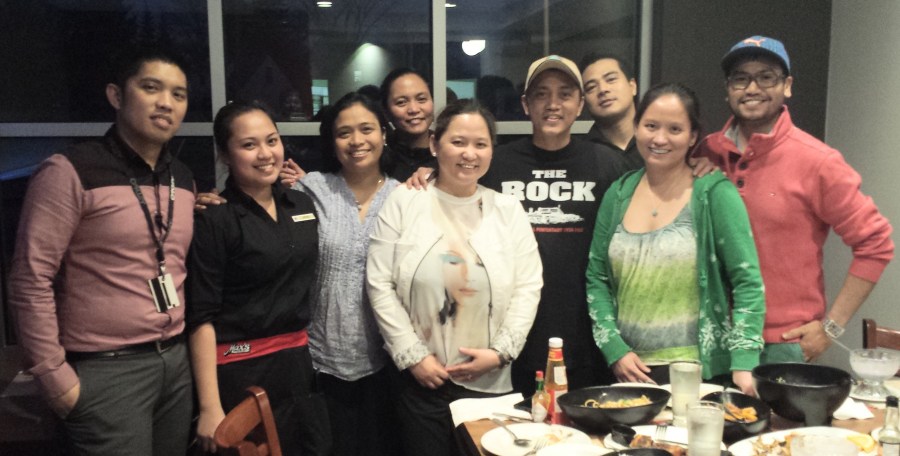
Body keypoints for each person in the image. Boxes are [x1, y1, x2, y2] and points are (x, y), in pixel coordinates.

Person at [8, 47, 195, 455]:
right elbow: (30, 278)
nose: (166, 103)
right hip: (105, 370)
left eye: (178, 94)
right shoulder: (71, 170)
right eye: (151, 88)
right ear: (116, 95)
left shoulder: (182, 179)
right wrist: (53, 376)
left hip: (176, 364)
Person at [696, 35, 894, 363]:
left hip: (782, 344)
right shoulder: (707, 151)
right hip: (710, 337)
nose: (752, 88)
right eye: (741, 78)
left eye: (766, 77)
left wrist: (831, 328)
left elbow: (876, 244)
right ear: (728, 89)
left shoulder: (818, 161)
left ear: (787, 86)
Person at [366, 100, 542, 456]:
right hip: (421, 382)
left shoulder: (507, 210)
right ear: (434, 144)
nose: (469, 154)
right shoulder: (404, 201)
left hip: (489, 383)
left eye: (481, 144)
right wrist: (413, 356)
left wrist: (500, 352)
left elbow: (528, 286)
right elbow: (379, 283)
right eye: (458, 142)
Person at [586, 83, 765, 394]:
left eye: (675, 129)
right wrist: (614, 349)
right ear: (637, 127)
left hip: (699, 374)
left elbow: (747, 282)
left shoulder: (713, 193)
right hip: (629, 372)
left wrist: (744, 362)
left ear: (693, 136)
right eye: (651, 126)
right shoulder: (618, 193)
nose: (659, 139)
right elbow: (597, 277)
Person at [187, 101, 330, 455]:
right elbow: (201, 316)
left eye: (272, 140)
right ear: (225, 155)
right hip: (239, 369)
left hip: (297, 365)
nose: (266, 154)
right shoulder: (214, 218)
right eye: (249, 145)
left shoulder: (301, 205)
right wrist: (209, 406)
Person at [293, 92, 401, 456]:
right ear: (332, 141)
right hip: (318, 358)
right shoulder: (311, 189)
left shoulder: (406, 197)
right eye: (344, 133)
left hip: (387, 359)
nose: (357, 141)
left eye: (367, 129)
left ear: (384, 133)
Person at [579, 52, 644, 170]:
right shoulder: (580, 153)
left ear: (633, 86)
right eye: (591, 87)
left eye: (611, 79)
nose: (603, 90)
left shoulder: (657, 140)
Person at [379, 67, 438, 181]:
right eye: (401, 102)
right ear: (386, 111)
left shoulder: (448, 153)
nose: (414, 109)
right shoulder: (378, 158)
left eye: (421, 99)